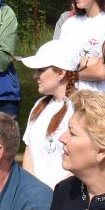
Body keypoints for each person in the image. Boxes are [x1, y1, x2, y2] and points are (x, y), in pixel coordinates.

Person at [18, 39, 82, 188]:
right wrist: (33, 191)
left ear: (60, 73)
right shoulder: (39, 106)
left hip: (66, 196)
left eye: (40, 70)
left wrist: (57, 193)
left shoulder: (82, 108)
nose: (35, 76)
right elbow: (29, 152)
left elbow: (84, 161)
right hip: (37, 199)